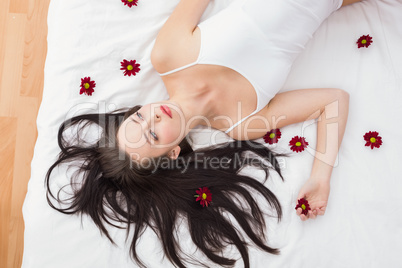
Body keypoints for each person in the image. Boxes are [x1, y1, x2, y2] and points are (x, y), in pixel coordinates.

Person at [46, 0, 359, 267]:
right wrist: (320, 179)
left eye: (139, 117)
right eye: (153, 135)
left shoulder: (168, 56)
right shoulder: (241, 123)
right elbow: (333, 101)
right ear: (173, 153)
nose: (153, 116)